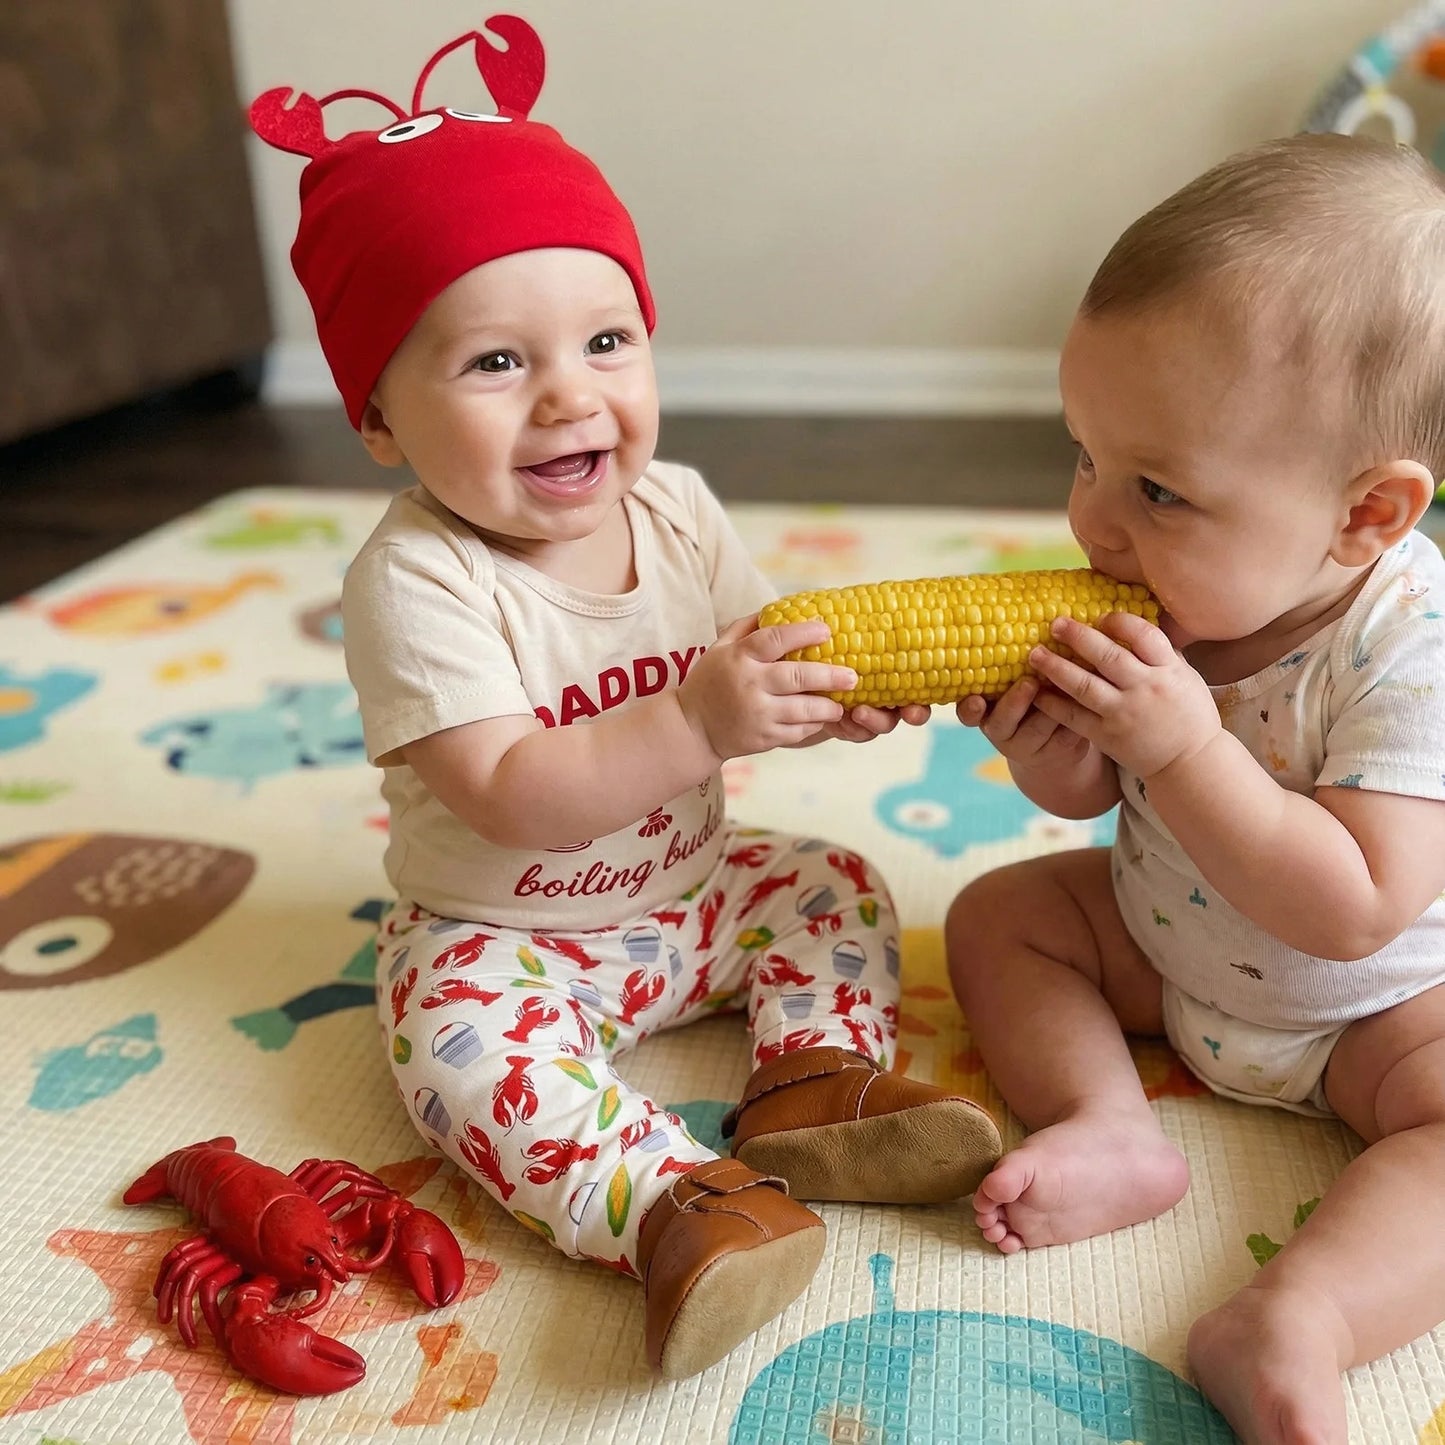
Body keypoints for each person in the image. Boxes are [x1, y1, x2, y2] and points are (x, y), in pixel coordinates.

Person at [249, 16, 1001, 1382]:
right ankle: (672, 1206)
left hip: (691, 893)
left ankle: (811, 1081)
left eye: (606, 339)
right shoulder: (417, 578)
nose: (567, 397)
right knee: (452, 1060)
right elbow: (510, 793)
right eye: (494, 362)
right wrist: (701, 721)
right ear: (376, 420)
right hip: (509, 931)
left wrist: (832, 694)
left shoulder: (678, 507)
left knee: (831, 880)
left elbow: (755, 653)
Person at [945, 131, 1445, 1444]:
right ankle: (1105, 1123)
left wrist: (1181, 747)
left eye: (1158, 487)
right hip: (1165, 941)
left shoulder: (1415, 650)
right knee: (999, 916)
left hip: (1380, 1014)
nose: (1094, 524)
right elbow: (1096, 803)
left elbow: (1354, 908)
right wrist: (1056, 755)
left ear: (1363, 517)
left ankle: (1299, 1315)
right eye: (1085, 456)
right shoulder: (1178, 586)